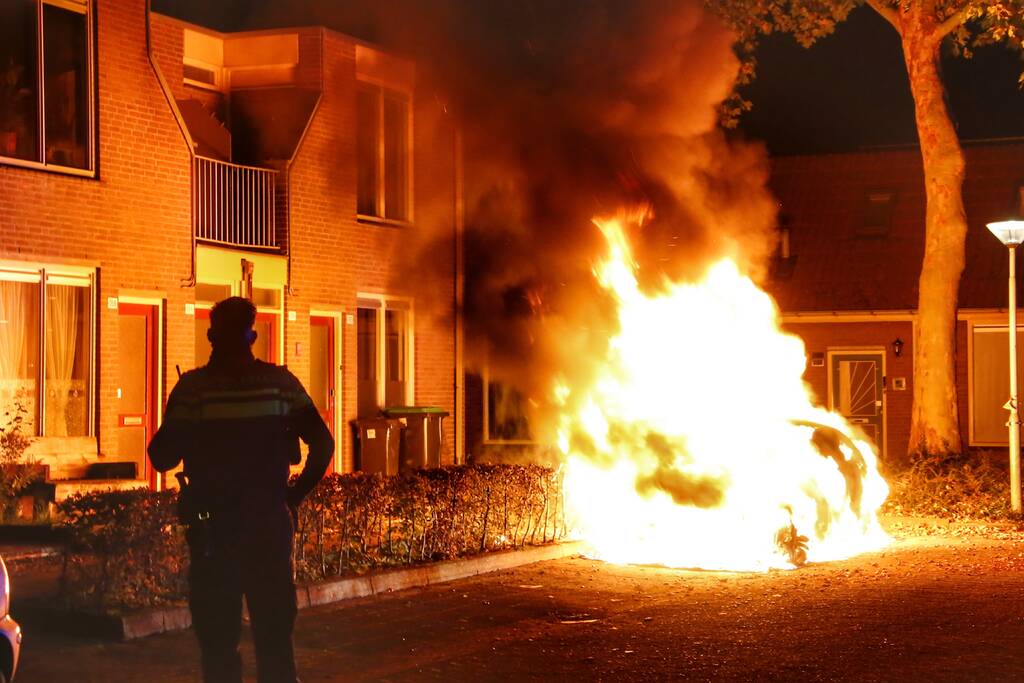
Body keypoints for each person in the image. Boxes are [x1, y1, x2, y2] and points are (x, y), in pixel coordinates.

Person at [148, 296, 334, 683]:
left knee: (218, 650)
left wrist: (185, 423)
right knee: (275, 645)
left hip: (214, 534)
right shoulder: (281, 385)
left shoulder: (194, 390)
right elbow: (323, 444)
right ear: (252, 335)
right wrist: (293, 497)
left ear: (211, 335)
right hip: (268, 528)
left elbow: (161, 457)